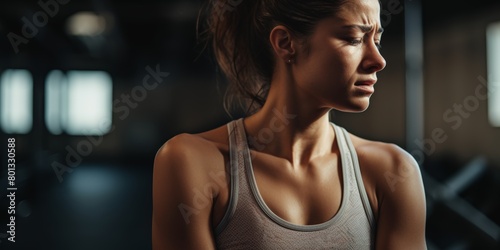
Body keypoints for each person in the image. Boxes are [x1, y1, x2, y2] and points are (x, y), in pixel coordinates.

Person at [152, 0, 427, 249]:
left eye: (376, 41)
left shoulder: (393, 172)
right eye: (354, 39)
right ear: (285, 43)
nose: (378, 60)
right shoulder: (190, 162)